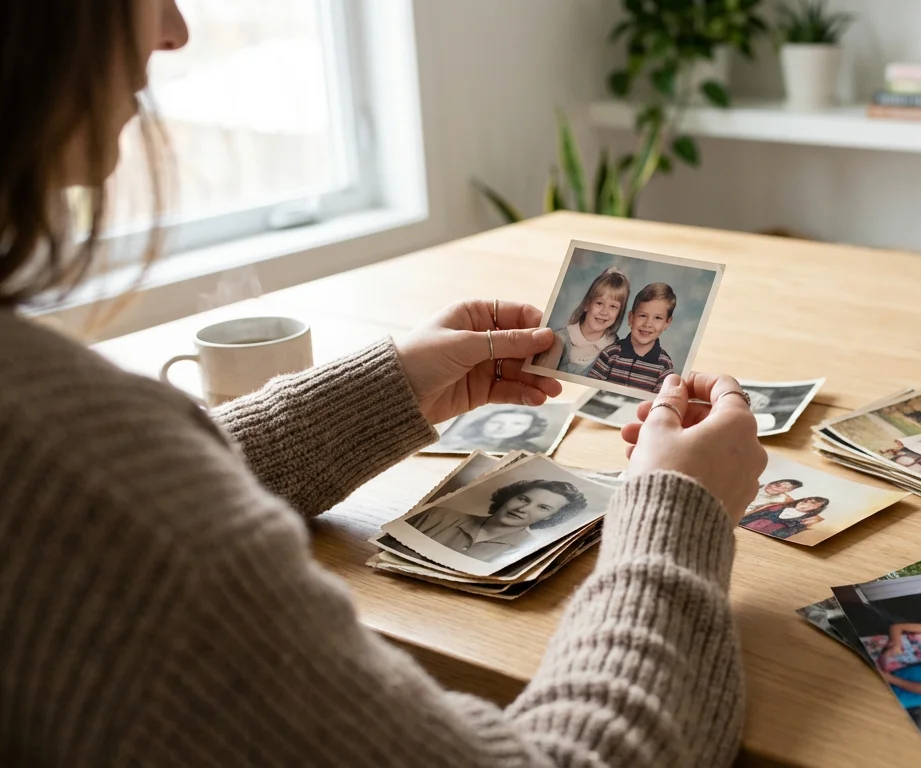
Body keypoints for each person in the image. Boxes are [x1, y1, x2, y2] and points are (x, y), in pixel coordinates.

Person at [0, 3, 769, 764]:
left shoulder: (69, 460)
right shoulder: (75, 473)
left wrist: (383, 393)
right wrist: (678, 516)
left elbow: (133, 501)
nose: (176, 29)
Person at [407, 479, 588, 562]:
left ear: (550, 517)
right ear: (509, 497)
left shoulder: (531, 552)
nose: (523, 509)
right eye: (523, 499)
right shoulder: (436, 516)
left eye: (543, 508)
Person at [532, 267, 630, 376]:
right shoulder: (560, 340)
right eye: (599, 303)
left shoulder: (616, 348)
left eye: (613, 306)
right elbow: (539, 379)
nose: (604, 312)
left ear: (619, 313)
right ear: (587, 304)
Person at [588, 282, 677, 393]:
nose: (648, 324)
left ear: (667, 323)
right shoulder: (611, 353)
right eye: (643, 316)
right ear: (631, 318)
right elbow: (589, 388)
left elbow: (658, 401)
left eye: (657, 318)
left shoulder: (664, 364)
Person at [440, 405, 549, 454]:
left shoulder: (529, 449)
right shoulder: (455, 443)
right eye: (496, 422)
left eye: (518, 424)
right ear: (483, 422)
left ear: (529, 427)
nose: (504, 428)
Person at [739, 496, 829, 538]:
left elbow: (786, 534)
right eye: (805, 501)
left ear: (817, 509)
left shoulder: (805, 521)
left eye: (812, 504)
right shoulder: (778, 507)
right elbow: (753, 516)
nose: (805, 504)